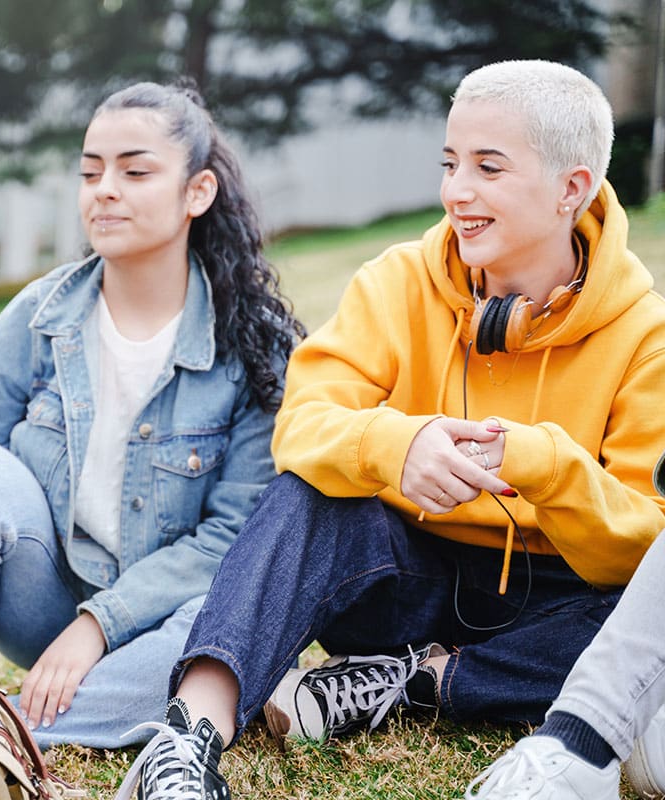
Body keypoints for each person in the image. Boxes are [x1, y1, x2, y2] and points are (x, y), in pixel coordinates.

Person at [116, 59, 665, 799]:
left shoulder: (644, 334)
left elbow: (642, 547)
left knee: (641, 630)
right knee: (303, 497)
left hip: (556, 604)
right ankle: (185, 740)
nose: (456, 191)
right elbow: (303, 426)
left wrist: (546, 465)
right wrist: (394, 447)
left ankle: (419, 685)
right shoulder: (397, 281)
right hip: (404, 580)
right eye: (450, 163)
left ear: (572, 189)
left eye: (488, 167)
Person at [0, 80, 305, 749]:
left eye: (135, 171)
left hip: (160, 621)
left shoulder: (256, 350)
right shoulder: (40, 314)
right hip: (43, 605)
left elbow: (231, 540)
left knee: (228, 625)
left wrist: (101, 626)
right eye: (91, 171)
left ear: (197, 192)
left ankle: (4, 736)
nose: (104, 189)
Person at [464, 452, 665, 799]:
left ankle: (584, 741)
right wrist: (399, 447)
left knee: (604, 614)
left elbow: (643, 533)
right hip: (418, 551)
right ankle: (582, 743)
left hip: (572, 583)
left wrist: (541, 460)